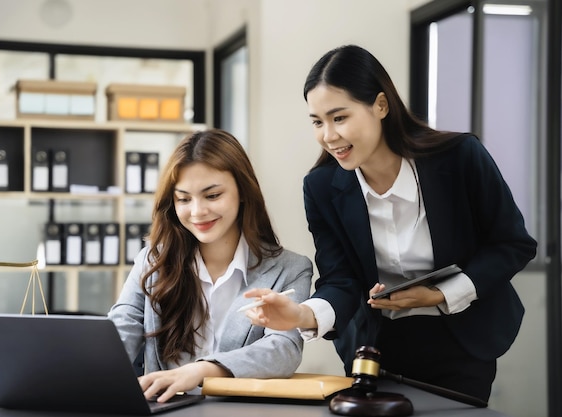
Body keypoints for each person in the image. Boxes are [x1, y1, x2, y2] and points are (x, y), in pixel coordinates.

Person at [242, 44, 537, 403]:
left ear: (381, 106)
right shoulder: (321, 187)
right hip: (375, 349)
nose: (328, 136)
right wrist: (302, 314)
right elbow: (341, 279)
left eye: (340, 117)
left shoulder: (460, 158)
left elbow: (512, 244)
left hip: (462, 340)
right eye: (317, 122)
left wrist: (444, 292)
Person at [108, 129, 313, 403]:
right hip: (166, 410)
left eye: (212, 195)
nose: (197, 211)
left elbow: (283, 349)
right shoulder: (153, 261)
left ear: (243, 192)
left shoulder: (290, 269)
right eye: (183, 199)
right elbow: (122, 327)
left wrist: (203, 371)